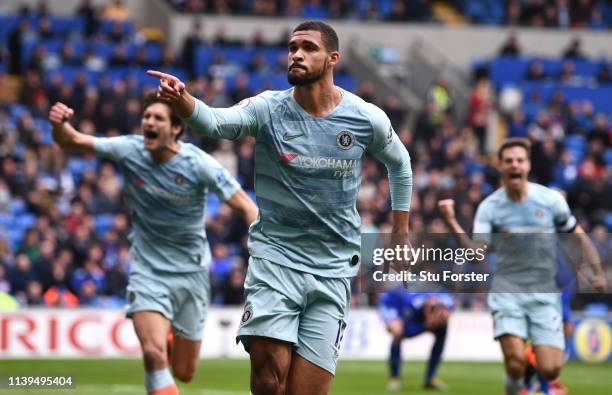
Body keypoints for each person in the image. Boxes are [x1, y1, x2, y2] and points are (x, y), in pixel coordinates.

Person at [148, 20, 413, 395]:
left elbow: (400, 164)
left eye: (308, 48)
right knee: (270, 381)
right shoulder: (268, 108)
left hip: (333, 268)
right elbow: (216, 123)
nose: (297, 54)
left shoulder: (365, 117)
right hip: (276, 260)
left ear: (332, 59)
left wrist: (400, 230)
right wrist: (184, 101)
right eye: (292, 48)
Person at [48, 94, 258, 395]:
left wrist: (266, 244)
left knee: (184, 372)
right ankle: (160, 340)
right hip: (148, 271)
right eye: (147, 117)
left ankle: (169, 336)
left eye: (158, 118)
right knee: (152, 354)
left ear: (176, 129)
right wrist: (59, 124)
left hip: (192, 274)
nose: (149, 122)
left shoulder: (199, 164)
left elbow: (246, 207)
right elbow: (72, 140)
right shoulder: (129, 149)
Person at [437, 138, 606, 395]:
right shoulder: (490, 208)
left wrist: (597, 272)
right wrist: (451, 223)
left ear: (527, 165)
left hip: (544, 293)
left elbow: (579, 236)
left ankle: (529, 377)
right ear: (501, 167)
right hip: (507, 292)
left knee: (550, 370)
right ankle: (514, 386)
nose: (514, 165)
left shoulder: (550, 201)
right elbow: (476, 254)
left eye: (519, 160)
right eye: (508, 161)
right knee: (514, 362)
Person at [379, 290, 453, 391]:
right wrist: (390, 319)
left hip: (425, 316)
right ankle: (394, 378)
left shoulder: (447, 303)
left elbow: (447, 308)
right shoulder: (411, 306)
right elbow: (406, 332)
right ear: (426, 309)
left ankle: (430, 378)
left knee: (442, 331)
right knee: (398, 332)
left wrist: (439, 319)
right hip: (400, 311)